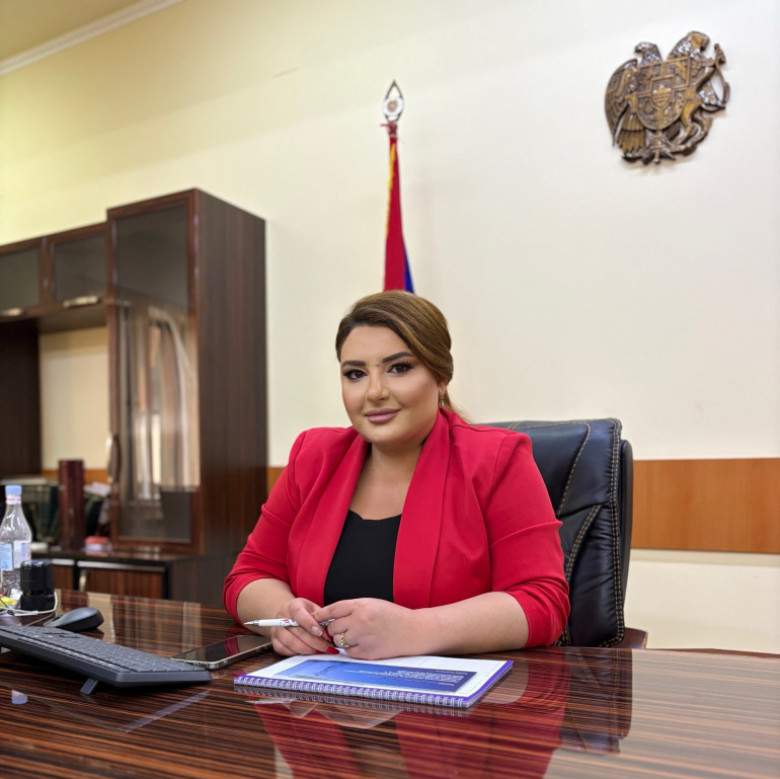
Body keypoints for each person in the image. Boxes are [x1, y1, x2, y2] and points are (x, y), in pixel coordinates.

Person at [223, 291, 569, 660]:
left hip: (451, 692)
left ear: (440, 377)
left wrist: (417, 629)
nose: (374, 392)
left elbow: (542, 602)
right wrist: (282, 617)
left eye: (399, 368)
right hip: (319, 688)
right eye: (356, 374)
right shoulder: (314, 456)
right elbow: (247, 576)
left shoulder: (497, 459)